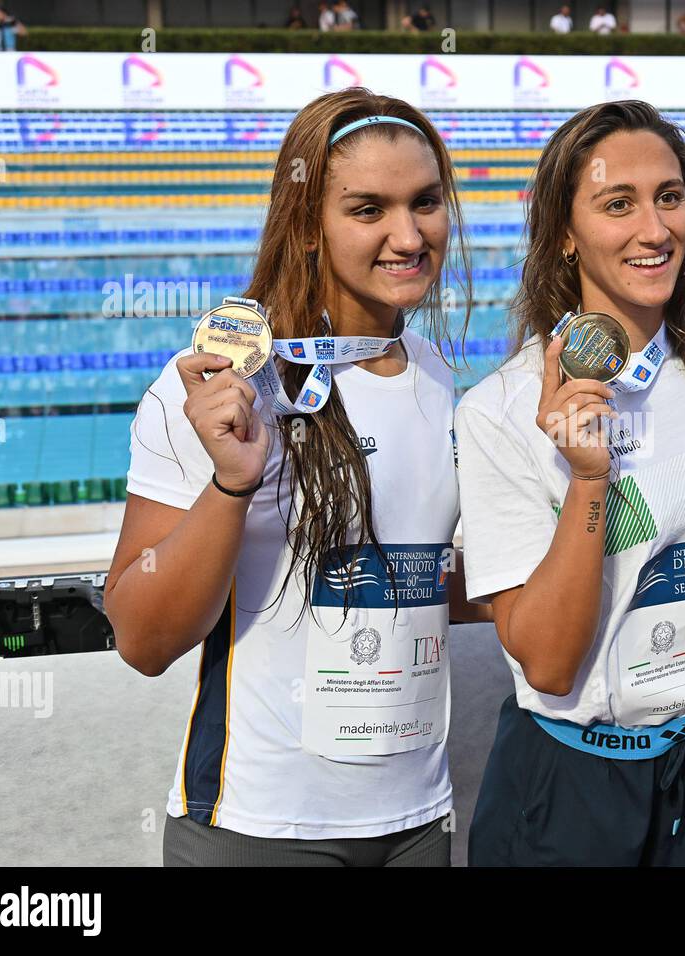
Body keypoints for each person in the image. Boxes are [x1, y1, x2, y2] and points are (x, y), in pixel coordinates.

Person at [105, 89, 489, 866]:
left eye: (425, 202)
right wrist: (231, 483)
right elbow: (142, 638)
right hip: (261, 824)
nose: (408, 235)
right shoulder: (226, 393)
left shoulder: (440, 379)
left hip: (416, 822)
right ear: (308, 225)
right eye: (368, 209)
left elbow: (415, 580)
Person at [455, 100, 685, 867]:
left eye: (670, 197)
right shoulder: (499, 411)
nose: (655, 229)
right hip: (573, 790)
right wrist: (589, 480)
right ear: (564, 234)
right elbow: (550, 663)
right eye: (617, 204)